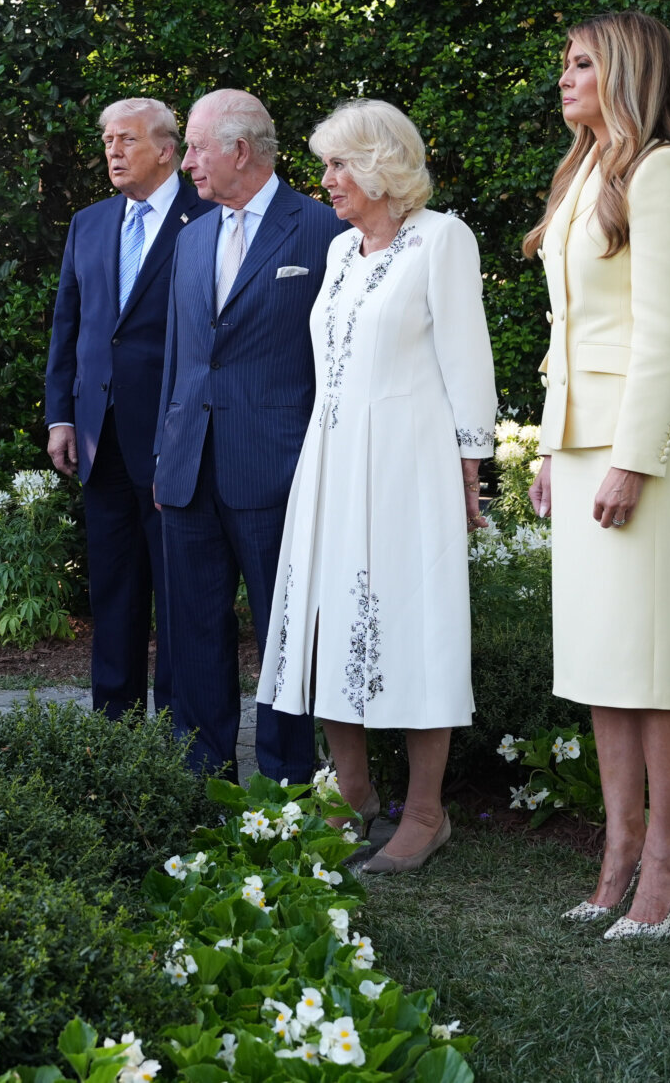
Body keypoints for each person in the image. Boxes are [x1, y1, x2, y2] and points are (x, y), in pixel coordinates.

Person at [259, 99, 496, 873]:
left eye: (338, 164)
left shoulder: (443, 239)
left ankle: (425, 815)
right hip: (330, 459)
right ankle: (353, 794)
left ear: (381, 166)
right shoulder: (339, 252)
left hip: (408, 464)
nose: (325, 179)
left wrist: (470, 462)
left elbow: (467, 357)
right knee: (328, 622)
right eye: (326, 163)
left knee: (416, 627)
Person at [524, 11, 670, 939]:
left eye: (583, 63)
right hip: (581, 439)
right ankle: (617, 849)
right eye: (564, 63)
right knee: (603, 661)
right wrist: (550, 449)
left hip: (641, 445)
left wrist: (632, 460)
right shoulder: (581, 174)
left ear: (628, 72)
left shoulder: (661, 172)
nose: (565, 77)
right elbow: (570, 332)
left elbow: (660, 333)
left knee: (652, 658)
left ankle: (669, 857)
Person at [154, 89, 340, 784]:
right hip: (188, 470)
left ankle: (290, 779)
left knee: (283, 634)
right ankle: (201, 778)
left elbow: (335, 363)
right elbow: (181, 355)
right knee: (194, 632)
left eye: (196, 147)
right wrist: (162, 458)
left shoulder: (322, 231)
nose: (187, 160)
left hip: (277, 469)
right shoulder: (193, 233)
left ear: (239, 149)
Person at [45, 98, 210, 720]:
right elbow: (70, 326)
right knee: (112, 592)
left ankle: (175, 734)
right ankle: (114, 732)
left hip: (178, 438)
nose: (112, 151)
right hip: (99, 438)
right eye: (108, 140)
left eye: (127, 140)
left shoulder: (208, 219)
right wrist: (60, 416)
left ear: (167, 149)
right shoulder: (88, 224)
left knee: (179, 595)